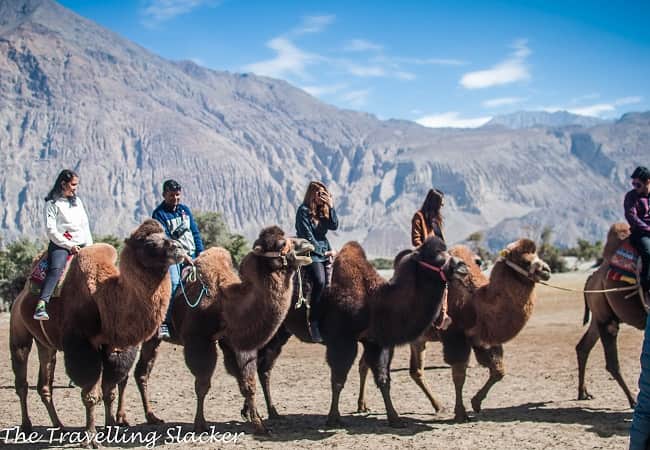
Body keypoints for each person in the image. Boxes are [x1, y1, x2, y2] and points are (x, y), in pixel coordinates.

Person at [33, 169, 93, 320]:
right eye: (73, 184)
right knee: (56, 269)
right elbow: (51, 230)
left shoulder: (77, 202)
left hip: (82, 244)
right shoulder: (52, 204)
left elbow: (85, 226)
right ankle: (41, 305)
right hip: (61, 245)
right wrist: (68, 246)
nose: (75, 188)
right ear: (63, 184)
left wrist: (91, 247)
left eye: (76, 185)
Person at [152, 179, 204, 339]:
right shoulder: (159, 214)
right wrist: (184, 256)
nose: (175, 198)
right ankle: (165, 323)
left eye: (177, 195)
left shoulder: (184, 210)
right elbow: (167, 240)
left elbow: (194, 233)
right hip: (173, 258)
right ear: (164, 195)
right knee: (174, 284)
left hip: (193, 254)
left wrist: (201, 253)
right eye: (171, 195)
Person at [296, 181, 338, 343]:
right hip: (310, 252)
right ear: (312, 194)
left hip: (325, 250)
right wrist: (324, 252)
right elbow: (307, 237)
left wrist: (331, 206)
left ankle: (329, 319)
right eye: (319, 194)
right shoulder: (303, 211)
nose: (322, 196)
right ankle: (313, 322)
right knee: (320, 281)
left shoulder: (322, 211)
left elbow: (334, 226)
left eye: (324, 193)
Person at [627, 166, 650, 450]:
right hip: (642, 234)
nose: (636, 186)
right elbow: (634, 219)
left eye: (639, 182)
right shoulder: (631, 198)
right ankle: (646, 286)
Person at [411, 188, 452, 330]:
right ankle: (442, 315)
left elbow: (441, 241)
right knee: (442, 279)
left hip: (438, 257)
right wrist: (430, 250)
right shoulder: (419, 217)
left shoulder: (436, 220)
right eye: (441, 203)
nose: (443, 206)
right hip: (424, 258)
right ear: (434, 202)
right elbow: (416, 241)